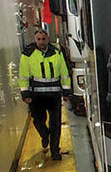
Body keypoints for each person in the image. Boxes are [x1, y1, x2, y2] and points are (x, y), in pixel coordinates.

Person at [18, 29, 72, 160]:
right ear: (35, 39)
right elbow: (23, 75)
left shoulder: (57, 53)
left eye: (43, 39)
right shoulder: (28, 55)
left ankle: (55, 151)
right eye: (39, 39)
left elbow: (64, 73)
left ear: (47, 39)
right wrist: (25, 94)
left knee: (56, 124)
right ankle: (44, 135)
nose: (41, 42)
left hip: (54, 95)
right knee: (38, 121)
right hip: (37, 96)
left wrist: (66, 92)